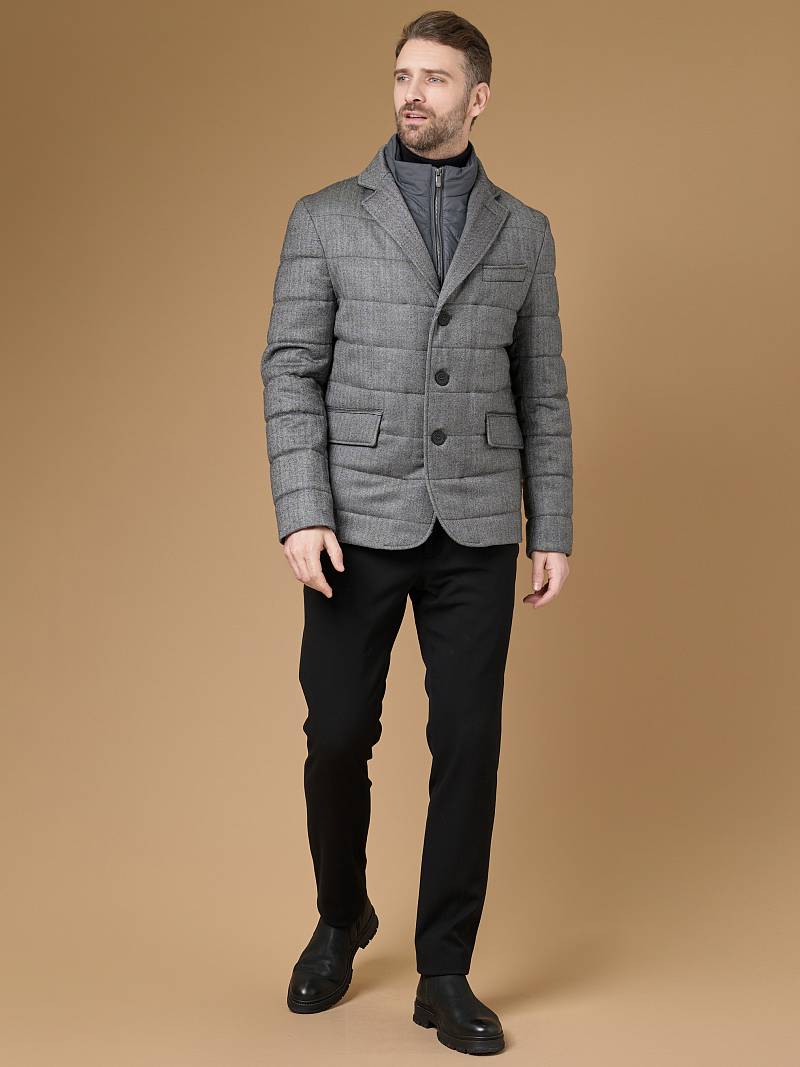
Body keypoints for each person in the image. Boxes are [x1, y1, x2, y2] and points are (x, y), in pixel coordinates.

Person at [259, 9, 573, 1056]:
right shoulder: (323, 218)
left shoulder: (523, 231)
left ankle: (444, 969)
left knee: (468, 744)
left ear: (476, 99)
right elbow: (290, 370)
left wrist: (551, 523)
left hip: (476, 524)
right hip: (354, 521)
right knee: (337, 733)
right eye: (402, 74)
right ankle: (340, 915)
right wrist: (303, 509)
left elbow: (542, 388)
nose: (412, 93)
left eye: (435, 78)